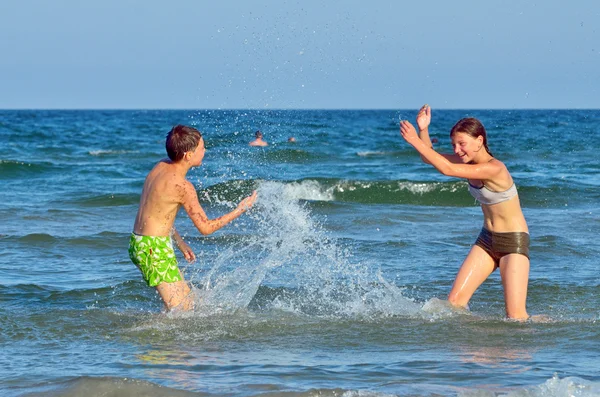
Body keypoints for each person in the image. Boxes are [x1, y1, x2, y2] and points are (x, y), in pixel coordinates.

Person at [399, 104, 530, 320]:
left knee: (515, 317)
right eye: (454, 145)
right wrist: (423, 130)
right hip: (486, 240)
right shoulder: (467, 162)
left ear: (479, 141)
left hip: (512, 243)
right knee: (454, 303)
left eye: (462, 144)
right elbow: (429, 157)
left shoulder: (494, 168)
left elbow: (447, 169)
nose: (457, 150)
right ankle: (467, 345)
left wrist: (413, 139)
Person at [129, 125, 258, 312]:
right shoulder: (183, 186)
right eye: (202, 148)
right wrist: (240, 209)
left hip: (142, 243)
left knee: (187, 302)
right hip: (153, 250)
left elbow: (157, 213)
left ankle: (159, 337)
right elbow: (205, 228)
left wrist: (179, 242)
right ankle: (152, 338)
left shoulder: (161, 166)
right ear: (188, 155)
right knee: (181, 311)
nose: (205, 151)